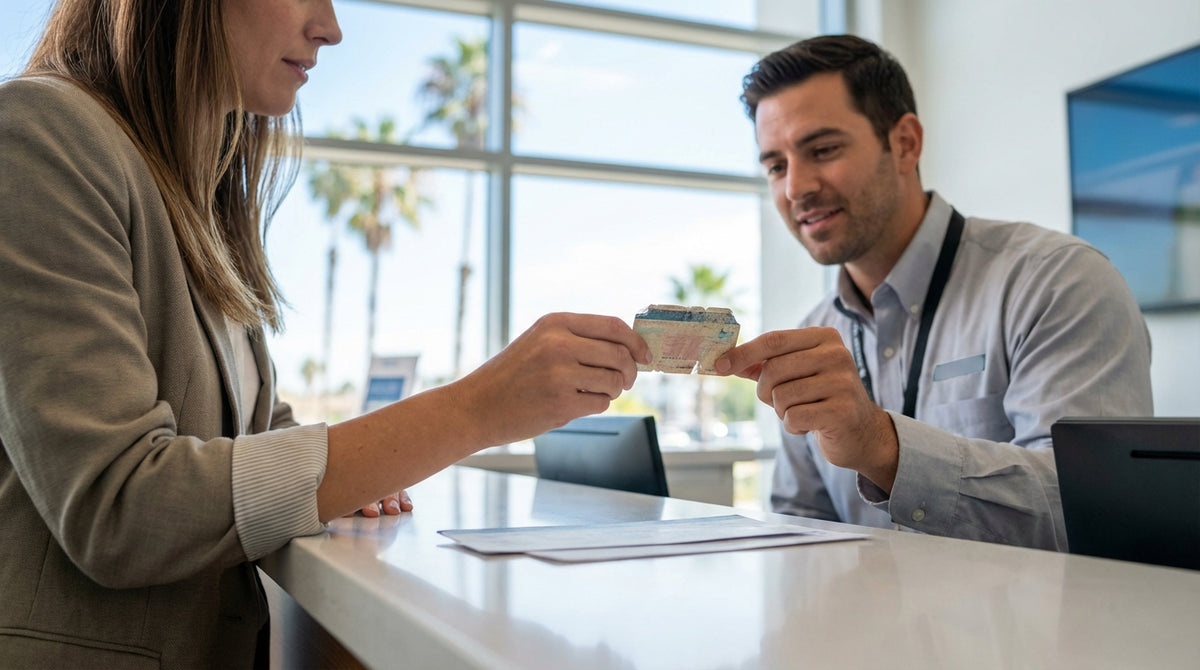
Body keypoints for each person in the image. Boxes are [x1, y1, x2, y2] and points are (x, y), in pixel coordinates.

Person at [0, 1, 650, 667]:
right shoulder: (41, 131)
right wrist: (475, 409)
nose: (330, 28)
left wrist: (362, 465)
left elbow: (248, 433)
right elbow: (119, 507)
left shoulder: (204, 195)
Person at [715, 35, 1152, 551]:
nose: (795, 189)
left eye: (824, 150)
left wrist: (882, 446)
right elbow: (800, 524)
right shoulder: (814, 333)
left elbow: (1094, 512)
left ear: (905, 143)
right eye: (776, 166)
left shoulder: (1057, 281)